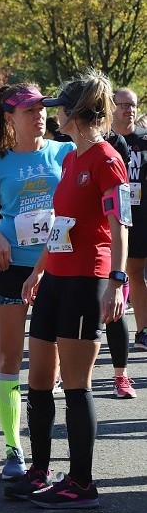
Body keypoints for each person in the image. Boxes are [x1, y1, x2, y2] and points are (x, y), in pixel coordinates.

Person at [7, 70, 129, 509]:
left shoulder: (106, 158)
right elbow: (61, 225)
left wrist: (118, 280)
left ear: (76, 115)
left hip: (86, 279)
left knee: (76, 383)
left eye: (59, 107)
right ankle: (40, 470)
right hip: (56, 277)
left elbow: (120, 225)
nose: (53, 113)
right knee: (39, 377)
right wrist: (38, 270)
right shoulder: (72, 159)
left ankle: (81, 484)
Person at [0, 84, 74, 480]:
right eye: (29, 110)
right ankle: (13, 447)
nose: (39, 115)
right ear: (9, 118)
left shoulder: (63, 153)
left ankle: (42, 447)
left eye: (42, 109)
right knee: (8, 358)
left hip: (55, 268)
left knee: (48, 368)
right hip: (9, 268)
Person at [111, 89, 147, 364]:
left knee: (137, 272)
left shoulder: (144, 141)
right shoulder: (104, 141)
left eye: (132, 105)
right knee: (119, 273)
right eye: (122, 105)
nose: (129, 110)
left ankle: (143, 331)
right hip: (114, 218)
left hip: (142, 216)